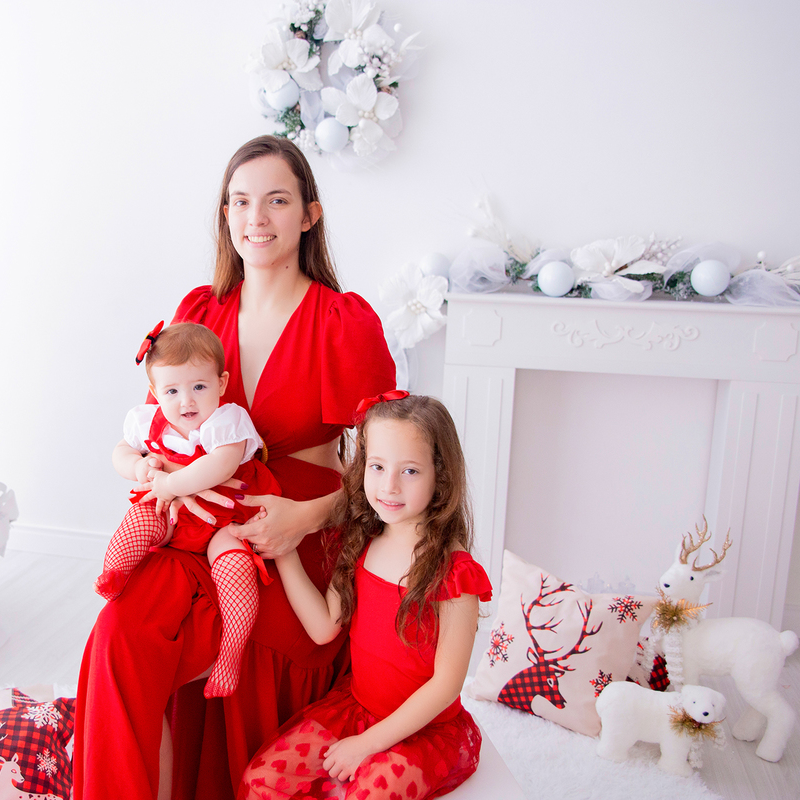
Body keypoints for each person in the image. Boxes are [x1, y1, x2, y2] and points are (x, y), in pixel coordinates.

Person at [73, 135, 396, 800]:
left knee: (261, 649)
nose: (257, 218)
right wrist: (152, 469)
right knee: (119, 635)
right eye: (241, 201)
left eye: (277, 201)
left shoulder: (344, 320)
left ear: (309, 214)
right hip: (197, 524)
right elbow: (156, 426)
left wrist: (306, 518)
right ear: (225, 214)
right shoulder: (201, 310)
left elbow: (389, 468)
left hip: (296, 526)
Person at [239, 392, 492, 799]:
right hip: (356, 709)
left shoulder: (454, 572)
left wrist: (368, 745)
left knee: (368, 793)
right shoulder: (362, 541)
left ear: (440, 477)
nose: (388, 486)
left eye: (409, 471)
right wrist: (284, 552)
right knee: (262, 778)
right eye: (377, 466)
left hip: (424, 732)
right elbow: (324, 627)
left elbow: (446, 685)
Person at [98, 321, 281, 699]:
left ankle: (231, 651)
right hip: (176, 517)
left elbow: (221, 467)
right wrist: (138, 467)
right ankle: (115, 574)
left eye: (199, 387)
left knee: (235, 567)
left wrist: (168, 483)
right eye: (172, 390)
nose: (187, 402)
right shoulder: (148, 420)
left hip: (226, 518)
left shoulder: (226, 421)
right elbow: (120, 452)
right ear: (154, 392)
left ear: (221, 383)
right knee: (142, 516)